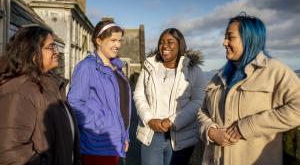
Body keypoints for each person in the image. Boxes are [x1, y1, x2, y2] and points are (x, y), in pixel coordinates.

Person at [198, 13, 300, 165]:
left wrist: (247, 127)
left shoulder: (274, 70)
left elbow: (297, 108)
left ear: (248, 39)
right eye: (225, 37)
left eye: (230, 37)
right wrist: (210, 131)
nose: (224, 43)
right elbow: (203, 110)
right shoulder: (219, 76)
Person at [0, 25, 80, 165]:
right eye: (50, 47)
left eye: (55, 46)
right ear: (32, 54)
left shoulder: (52, 84)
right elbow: (10, 152)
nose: (57, 51)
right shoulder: (20, 91)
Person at [134, 28, 206, 165]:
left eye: (170, 42)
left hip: (181, 136)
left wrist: (172, 121)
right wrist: (149, 120)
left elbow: (198, 101)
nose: (165, 46)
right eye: (161, 42)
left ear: (180, 45)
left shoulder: (194, 70)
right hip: (151, 134)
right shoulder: (149, 66)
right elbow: (139, 95)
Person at [67, 20, 131, 165]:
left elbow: (121, 105)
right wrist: (104, 124)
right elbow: (74, 103)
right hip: (96, 145)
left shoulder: (117, 68)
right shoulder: (87, 67)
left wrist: (124, 135)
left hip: (114, 143)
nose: (118, 45)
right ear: (98, 40)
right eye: (113, 40)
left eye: (119, 40)